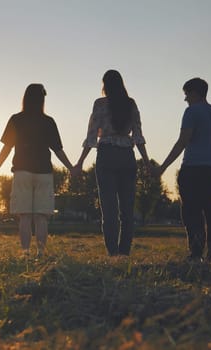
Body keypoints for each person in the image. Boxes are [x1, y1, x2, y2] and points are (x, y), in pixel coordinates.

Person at [0, 84, 74, 257]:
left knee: (25, 216)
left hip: (22, 172)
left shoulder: (16, 119)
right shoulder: (48, 121)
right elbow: (58, 150)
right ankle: (41, 252)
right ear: (42, 100)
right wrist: (71, 168)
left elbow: (6, 148)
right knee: (41, 217)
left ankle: (25, 253)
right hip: (44, 173)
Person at [73, 70, 150, 257]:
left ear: (105, 85)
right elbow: (138, 137)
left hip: (106, 155)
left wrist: (80, 162)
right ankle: (124, 253)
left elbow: (92, 136)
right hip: (127, 157)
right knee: (127, 210)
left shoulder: (100, 104)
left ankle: (113, 254)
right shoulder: (130, 104)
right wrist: (147, 163)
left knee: (109, 209)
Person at [153, 78, 211, 262]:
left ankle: (196, 252)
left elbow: (183, 141)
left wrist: (163, 167)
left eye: (186, 94)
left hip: (193, 169)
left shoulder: (191, 112)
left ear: (194, 93)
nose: (185, 99)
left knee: (192, 211)